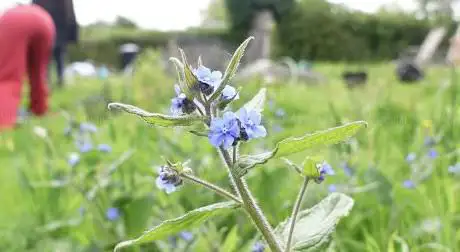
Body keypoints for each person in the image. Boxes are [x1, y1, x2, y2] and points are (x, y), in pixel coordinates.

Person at [0, 4, 55, 130]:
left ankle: (3, 123)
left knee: (8, 77)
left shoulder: (7, 18)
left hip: (14, 23)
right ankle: (40, 110)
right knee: (38, 74)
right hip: (46, 22)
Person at [32, 0, 78, 88]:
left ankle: (53, 81)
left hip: (56, 29)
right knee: (52, 57)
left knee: (55, 56)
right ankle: (50, 81)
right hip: (50, 28)